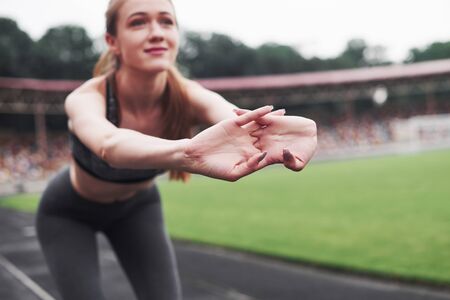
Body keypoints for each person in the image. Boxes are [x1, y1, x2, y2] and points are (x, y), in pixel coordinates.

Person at [35, 0, 317, 299]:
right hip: (69, 212)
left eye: (166, 22)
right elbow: (109, 144)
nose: (157, 32)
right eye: (138, 22)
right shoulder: (87, 97)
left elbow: (233, 117)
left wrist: (266, 131)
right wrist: (188, 152)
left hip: (138, 208)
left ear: (177, 35)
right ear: (112, 42)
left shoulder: (190, 95)